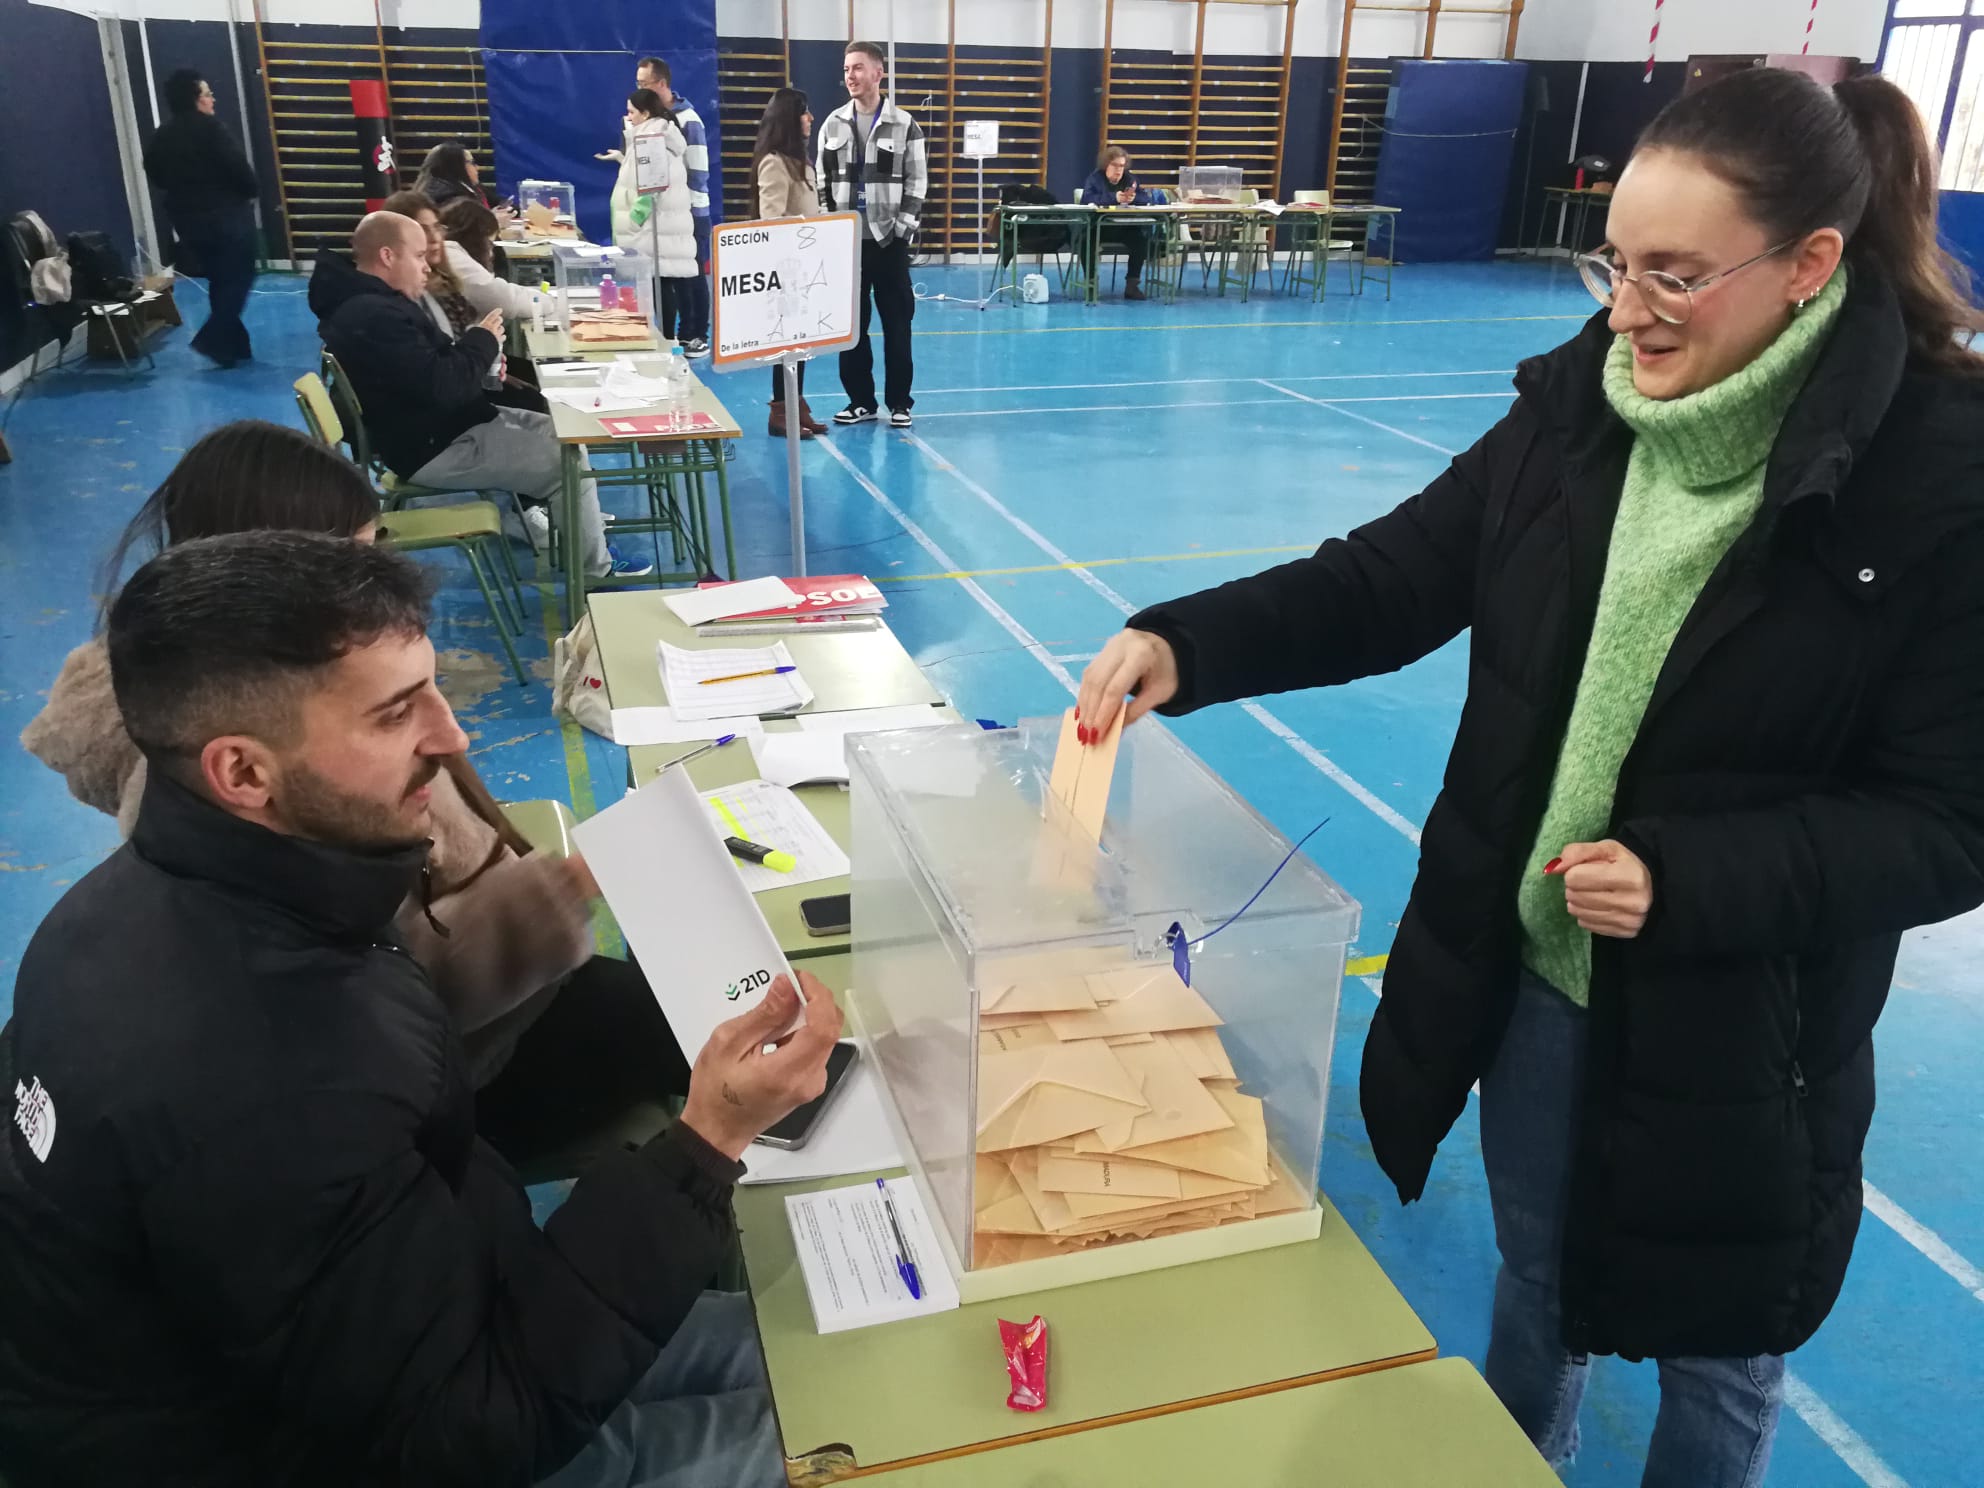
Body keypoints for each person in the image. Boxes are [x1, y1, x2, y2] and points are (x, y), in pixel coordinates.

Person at [1073, 68, 1984, 1486]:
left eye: (1676, 278)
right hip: (1541, 986)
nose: (1626, 311)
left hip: (1749, 1037)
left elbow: (1949, 824)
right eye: (1615, 263)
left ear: (1810, 266)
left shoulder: (1937, 478)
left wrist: (1691, 881)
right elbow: (1388, 578)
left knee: (1723, 1358)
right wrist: (1186, 644)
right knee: (1536, 1286)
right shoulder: (1582, 410)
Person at [0, 531, 841, 1485]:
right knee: (879, 1433)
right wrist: (705, 1143)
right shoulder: (266, 1078)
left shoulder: (162, 903)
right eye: (397, 712)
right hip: (323, 1447)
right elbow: (462, 1439)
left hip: (424, 1334)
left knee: (832, 1341)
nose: (452, 734)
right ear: (242, 772)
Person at [16, 419, 684, 1162]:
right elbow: (371, 1007)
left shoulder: (231, 706)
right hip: (458, 1064)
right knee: (719, 1032)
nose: (450, 736)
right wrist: (563, 889)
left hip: (491, 994)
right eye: (351, 563)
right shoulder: (243, 801)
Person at [310, 212, 646, 579]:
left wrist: (480, 361)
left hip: (441, 428)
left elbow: (428, 372)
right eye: (419, 256)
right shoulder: (374, 315)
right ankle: (595, 572)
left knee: (562, 432)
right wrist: (481, 342)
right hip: (433, 446)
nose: (427, 267)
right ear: (388, 256)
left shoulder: (371, 304)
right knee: (564, 464)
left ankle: (582, 537)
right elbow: (443, 386)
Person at [818, 41, 926, 428]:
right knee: (852, 327)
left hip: (889, 241)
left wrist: (902, 230)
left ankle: (900, 403)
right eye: (847, 68)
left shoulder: (904, 123)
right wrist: (829, 227)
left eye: (859, 68)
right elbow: (822, 180)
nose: (851, 75)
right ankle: (860, 401)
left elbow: (917, 182)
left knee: (897, 324)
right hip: (847, 242)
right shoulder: (832, 123)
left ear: (879, 73)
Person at [381, 190, 547, 415]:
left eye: (436, 228)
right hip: (452, 411)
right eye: (422, 230)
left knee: (534, 389)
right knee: (544, 415)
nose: (433, 238)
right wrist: (486, 350)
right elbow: (444, 372)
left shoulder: (438, 279)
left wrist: (491, 360)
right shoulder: (407, 297)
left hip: (468, 382)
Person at [142, 68, 259, 367]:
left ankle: (235, 347)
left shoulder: (161, 136)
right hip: (227, 216)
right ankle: (213, 338)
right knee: (239, 277)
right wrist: (249, 190)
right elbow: (239, 169)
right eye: (208, 94)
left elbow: (155, 174)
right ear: (195, 99)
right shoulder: (211, 129)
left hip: (188, 221)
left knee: (220, 278)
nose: (212, 100)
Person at [752, 86, 829, 440]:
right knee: (787, 345)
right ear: (789, 119)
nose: (810, 118)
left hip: (806, 267)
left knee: (801, 344)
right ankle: (780, 411)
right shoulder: (774, 163)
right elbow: (771, 222)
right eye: (804, 112)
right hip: (786, 270)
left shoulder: (801, 162)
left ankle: (795, 403)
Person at [636, 57, 712, 357]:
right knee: (667, 275)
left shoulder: (688, 119)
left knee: (691, 275)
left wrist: (686, 210)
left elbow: (698, 171)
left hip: (691, 212)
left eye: (644, 84)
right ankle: (675, 335)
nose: (639, 89)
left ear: (662, 84)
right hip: (665, 215)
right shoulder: (653, 119)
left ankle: (697, 334)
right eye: (638, 84)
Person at [610, 89, 698, 343]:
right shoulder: (657, 134)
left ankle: (667, 339)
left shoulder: (652, 138)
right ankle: (666, 337)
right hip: (662, 223)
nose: (628, 117)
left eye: (632, 112)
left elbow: (653, 185)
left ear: (645, 113)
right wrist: (621, 158)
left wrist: (635, 219)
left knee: (661, 282)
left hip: (655, 225)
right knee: (664, 282)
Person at [1080, 144, 1154, 302]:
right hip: (1098, 227)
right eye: (1115, 165)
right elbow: (1087, 199)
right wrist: (1115, 198)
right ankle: (1091, 284)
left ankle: (1132, 285)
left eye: (1122, 166)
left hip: (1123, 227)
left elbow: (1145, 198)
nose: (1119, 170)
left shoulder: (1130, 179)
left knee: (1140, 239)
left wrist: (1135, 199)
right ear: (1106, 165)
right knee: (1086, 241)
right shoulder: (1095, 179)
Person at [415, 138, 495, 210]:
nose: (477, 167)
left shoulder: (469, 187)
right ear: (457, 166)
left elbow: (496, 203)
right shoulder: (449, 197)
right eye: (472, 163)